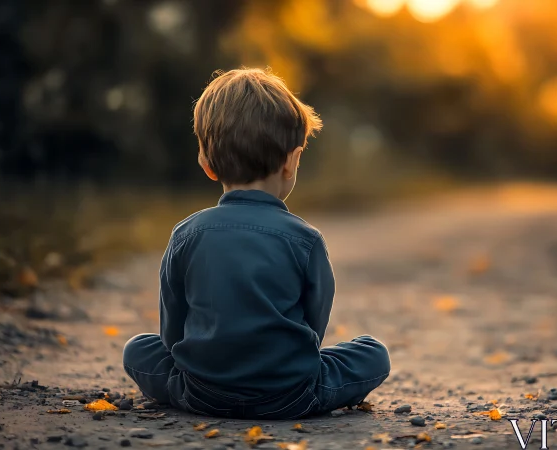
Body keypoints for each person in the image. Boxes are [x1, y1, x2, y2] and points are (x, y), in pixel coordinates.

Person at [122, 68, 390, 419]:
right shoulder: (306, 240)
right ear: (291, 162)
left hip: (201, 392)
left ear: (206, 162)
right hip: (290, 396)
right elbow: (313, 328)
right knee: (373, 353)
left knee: (138, 349)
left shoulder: (185, 234)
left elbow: (171, 333)